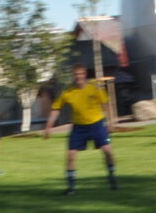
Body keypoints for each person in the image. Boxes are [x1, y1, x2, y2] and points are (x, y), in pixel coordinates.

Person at [45, 64, 118, 194]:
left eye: (81, 74)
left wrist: (111, 122)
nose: (78, 77)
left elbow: (106, 104)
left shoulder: (94, 89)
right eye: (76, 75)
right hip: (79, 127)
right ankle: (71, 187)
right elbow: (56, 108)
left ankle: (112, 177)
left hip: (97, 124)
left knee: (107, 151)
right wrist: (48, 126)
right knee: (70, 155)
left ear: (84, 75)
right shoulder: (68, 92)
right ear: (74, 76)